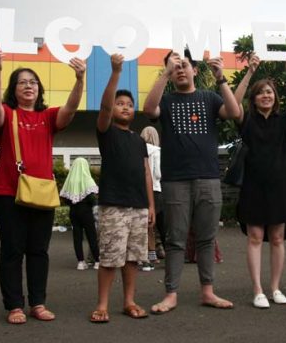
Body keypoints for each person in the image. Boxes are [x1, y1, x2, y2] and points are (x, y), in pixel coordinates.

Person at [0, 48, 85, 324]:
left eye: (33, 82)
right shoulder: (8, 114)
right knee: (12, 250)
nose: (29, 86)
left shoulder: (48, 116)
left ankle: (38, 303)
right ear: (13, 90)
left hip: (41, 192)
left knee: (39, 251)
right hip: (8, 192)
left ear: (39, 88)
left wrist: (80, 79)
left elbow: (71, 109)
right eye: (22, 82)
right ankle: (14, 306)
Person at [143, 49, 241, 314]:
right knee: (175, 239)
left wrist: (221, 76)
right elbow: (148, 109)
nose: (180, 69)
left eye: (184, 64)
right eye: (174, 66)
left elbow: (234, 112)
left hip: (208, 178)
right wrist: (164, 73)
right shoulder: (166, 101)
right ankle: (171, 293)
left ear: (195, 70)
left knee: (206, 239)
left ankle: (207, 291)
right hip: (175, 180)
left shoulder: (209, 98)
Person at [232, 52, 286, 308]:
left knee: (277, 238)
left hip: (281, 187)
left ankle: (275, 288)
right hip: (253, 188)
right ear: (254, 98)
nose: (266, 95)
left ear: (275, 98)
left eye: (270, 92)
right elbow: (233, 104)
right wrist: (250, 72)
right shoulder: (247, 121)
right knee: (255, 237)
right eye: (261, 92)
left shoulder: (283, 120)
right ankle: (257, 290)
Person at [90, 54, 155, 323]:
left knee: (132, 258)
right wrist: (116, 73)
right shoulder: (107, 132)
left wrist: (151, 206)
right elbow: (104, 108)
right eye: (120, 103)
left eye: (129, 104)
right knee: (109, 258)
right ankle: (102, 305)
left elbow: (146, 173)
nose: (125, 107)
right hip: (113, 204)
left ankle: (129, 301)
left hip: (139, 206)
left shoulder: (139, 140)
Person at [60, 157, 100, 270]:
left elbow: (65, 198)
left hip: (74, 211)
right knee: (91, 235)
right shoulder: (87, 178)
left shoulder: (70, 179)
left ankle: (80, 262)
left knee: (77, 237)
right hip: (86, 211)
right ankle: (97, 261)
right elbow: (93, 197)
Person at [140, 126, 164, 271]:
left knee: (144, 226)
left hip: (140, 190)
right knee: (157, 224)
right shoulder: (157, 151)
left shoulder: (138, 150)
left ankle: (147, 255)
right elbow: (158, 174)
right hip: (155, 189)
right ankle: (155, 254)